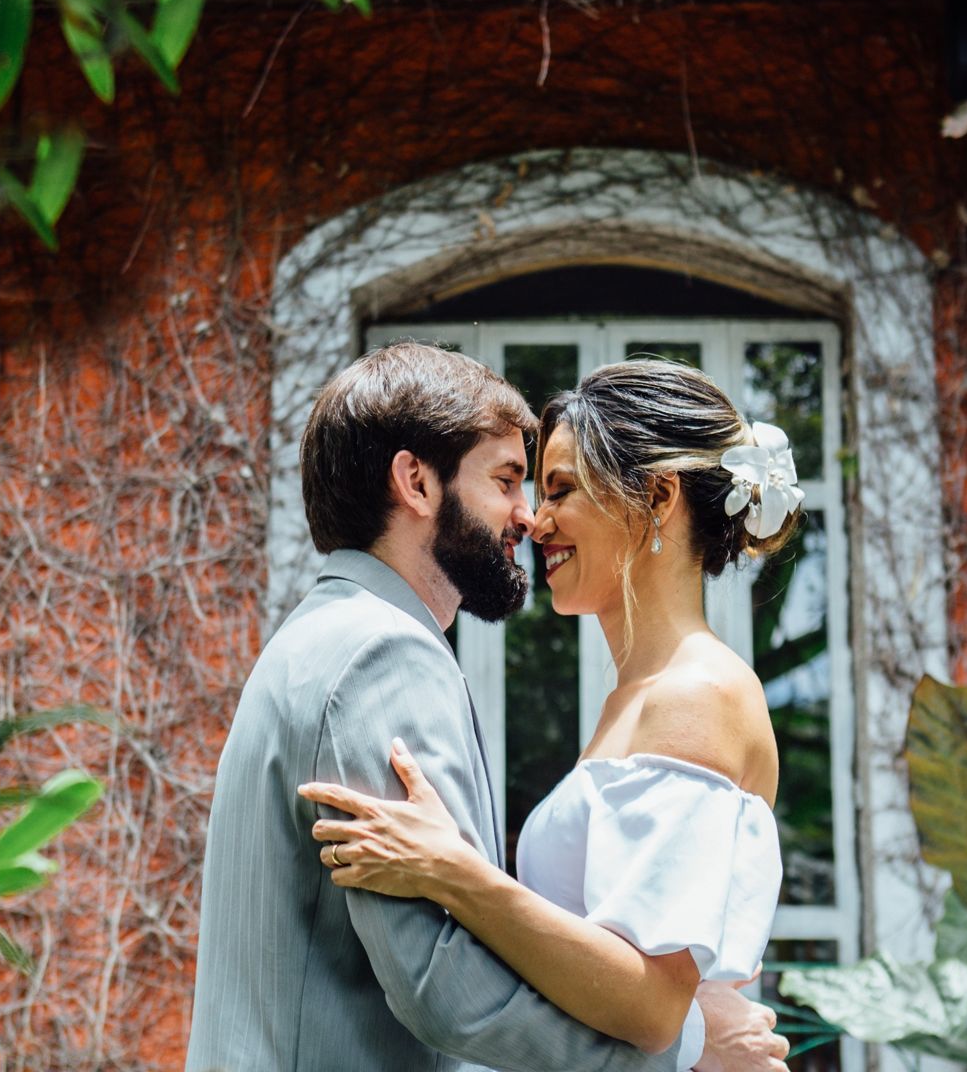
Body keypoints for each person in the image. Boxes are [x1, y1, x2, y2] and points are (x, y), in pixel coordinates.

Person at [186, 344, 790, 1072]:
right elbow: (444, 983)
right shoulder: (381, 653)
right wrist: (692, 1048)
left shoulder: (694, 695)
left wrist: (458, 873)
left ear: (657, 500)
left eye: (554, 487)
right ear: (415, 482)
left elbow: (649, 996)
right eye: (512, 481)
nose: (530, 517)